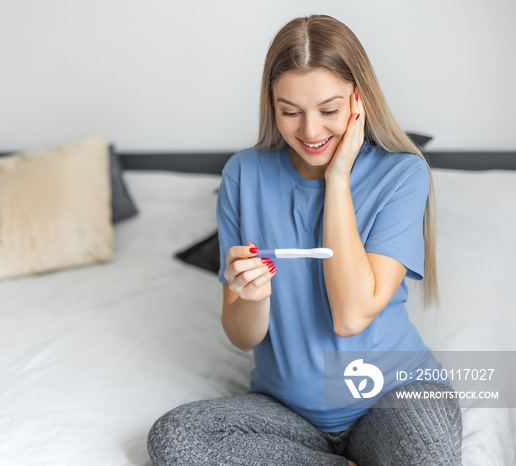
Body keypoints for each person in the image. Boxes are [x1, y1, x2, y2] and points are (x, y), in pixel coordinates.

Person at [148, 14, 462, 466]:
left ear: (359, 102)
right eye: (290, 112)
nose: (310, 132)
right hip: (287, 412)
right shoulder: (244, 174)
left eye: (329, 111)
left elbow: (351, 315)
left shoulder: (402, 174)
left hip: (391, 394)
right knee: (175, 439)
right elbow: (241, 336)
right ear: (272, 105)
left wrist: (337, 179)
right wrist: (252, 295)